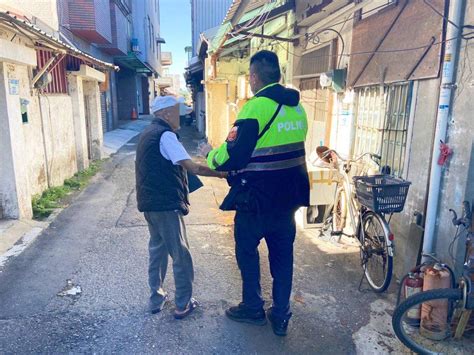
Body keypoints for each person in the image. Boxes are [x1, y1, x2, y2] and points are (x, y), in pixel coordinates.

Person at [206, 50, 309, 336]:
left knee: (247, 252)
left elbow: (233, 156)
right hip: (288, 201)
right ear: (278, 75)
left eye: (250, 76)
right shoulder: (298, 109)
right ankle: (281, 314)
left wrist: (211, 157)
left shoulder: (255, 108)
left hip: (256, 200)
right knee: (283, 258)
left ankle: (252, 308)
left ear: (254, 77)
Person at [135, 95, 226, 319]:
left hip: (150, 203)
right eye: (177, 112)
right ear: (166, 114)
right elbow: (192, 167)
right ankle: (183, 303)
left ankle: (156, 299)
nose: (181, 116)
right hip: (165, 204)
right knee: (180, 254)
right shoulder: (166, 136)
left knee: (157, 250)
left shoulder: (148, 132)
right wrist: (223, 173)